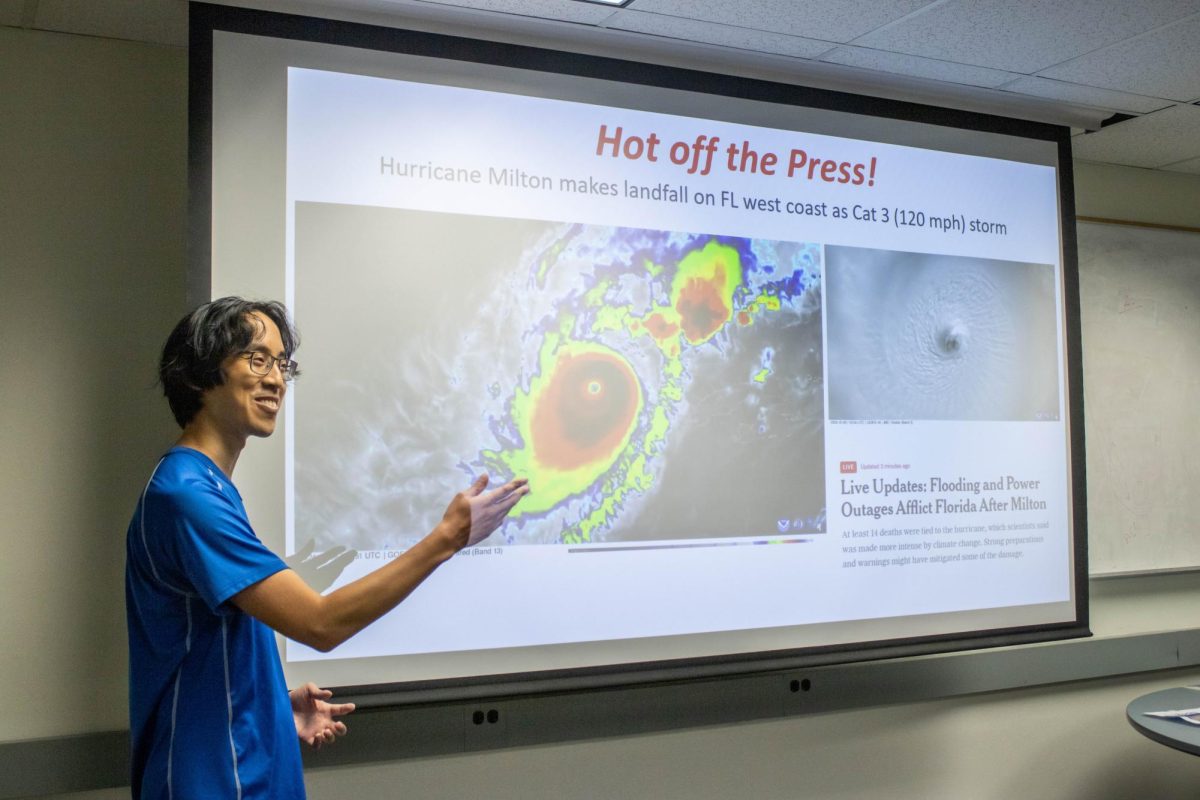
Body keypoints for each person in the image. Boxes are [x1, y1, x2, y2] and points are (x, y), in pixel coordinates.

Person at [125, 297, 528, 798]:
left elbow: (210, 649)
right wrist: (447, 538)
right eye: (257, 359)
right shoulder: (187, 497)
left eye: (281, 364)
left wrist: (271, 706)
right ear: (197, 374)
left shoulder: (204, 487)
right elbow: (321, 623)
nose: (276, 380)